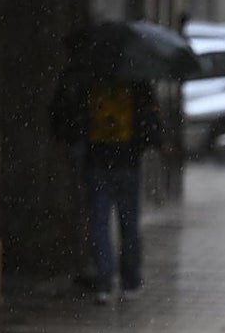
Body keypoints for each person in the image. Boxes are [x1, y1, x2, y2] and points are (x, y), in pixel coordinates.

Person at [50, 71, 164, 304]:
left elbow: (71, 117)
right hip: (127, 164)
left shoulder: (88, 79)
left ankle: (104, 282)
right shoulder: (136, 80)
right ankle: (130, 282)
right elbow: (150, 123)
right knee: (129, 223)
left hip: (97, 162)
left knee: (99, 224)